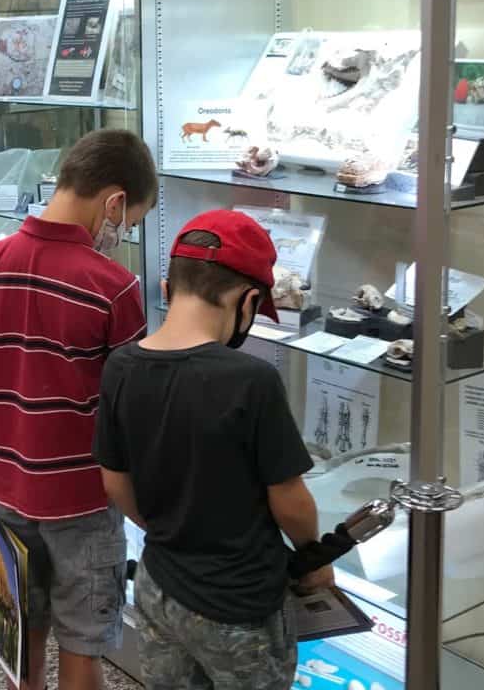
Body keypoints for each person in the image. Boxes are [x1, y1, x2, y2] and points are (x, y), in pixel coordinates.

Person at [0, 129, 159, 690]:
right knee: (82, 645)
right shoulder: (115, 288)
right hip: (85, 499)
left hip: (7, 487)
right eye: (128, 223)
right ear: (114, 202)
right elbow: (127, 412)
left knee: (21, 629)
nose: (121, 236)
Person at [93, 209, 334, 690]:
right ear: (247, 301)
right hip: (239, 603)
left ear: (168, 288)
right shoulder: (252, 381)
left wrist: (167, 527)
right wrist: (315, 555)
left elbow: (114, 480)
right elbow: (289, 498)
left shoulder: (120, 366)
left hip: (157, 586)